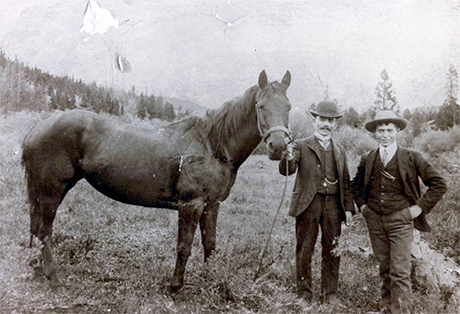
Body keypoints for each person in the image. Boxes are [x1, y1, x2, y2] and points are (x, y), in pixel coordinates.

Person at [352, 110, 447, 314]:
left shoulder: (412, 157)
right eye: (381, 130)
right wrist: (363, 208)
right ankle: (387, 308)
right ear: (375, 133)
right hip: (375, 220)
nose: (385, 134)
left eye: (389, 130)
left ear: (397, 131)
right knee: (385, 268)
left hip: (401, 221)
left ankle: (401, 311)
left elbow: (439, 184)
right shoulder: (368, 158)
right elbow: (356, 187)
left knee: (400, 272)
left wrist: (418, 208)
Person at [279, 101, 355, 303]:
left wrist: (348, 208)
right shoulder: (300, 145)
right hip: (308, 204)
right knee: (305, 249)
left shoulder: (339, 150)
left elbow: (345, 180)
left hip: (333, 206)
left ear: (335, 124)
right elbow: (288, 169)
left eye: (330, 120)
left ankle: (329, 294)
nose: (325, 124)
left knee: (332, 249)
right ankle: (304, 293)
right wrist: (286, 157)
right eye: (322, 119)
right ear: (314, 121)